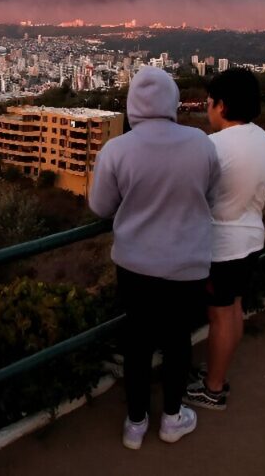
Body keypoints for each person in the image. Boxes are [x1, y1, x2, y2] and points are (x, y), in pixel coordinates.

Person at [89, 66, 220, 450]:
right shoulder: (201, 142)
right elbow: (210, 198)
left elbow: (100, 207)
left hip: (135, 265)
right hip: (187, 263)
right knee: (179, 341)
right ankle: (172, 418)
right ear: (172, 100)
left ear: (132, 104)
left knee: (138, 343)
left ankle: (135, 424)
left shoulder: (117, 148)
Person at [184, 69, 265, 411]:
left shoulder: (213, 146)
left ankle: (213, 387)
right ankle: (218, 371)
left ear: (221, 105)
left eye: (209, 103)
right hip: (251, 238)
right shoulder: (263, 138)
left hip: (221, 244)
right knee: (233, 308)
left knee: (220, 315)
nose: (207, 109)